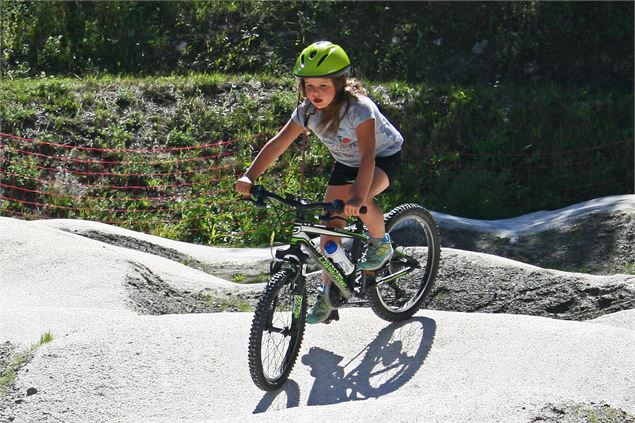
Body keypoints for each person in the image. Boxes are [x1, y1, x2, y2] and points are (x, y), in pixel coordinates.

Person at [235, 41, 403, 324]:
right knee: (329, 229)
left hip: (382, 158)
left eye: (323, 86)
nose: (315, 93)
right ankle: (328, 293)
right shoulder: (307, 111)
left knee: (362, 202)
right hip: (346, 162)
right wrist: (250, 175)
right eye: (309, 86)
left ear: (339, 83)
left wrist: (357, 196)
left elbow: (368, 156)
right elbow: (279, 144)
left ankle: (380, 243)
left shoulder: (359, 110)